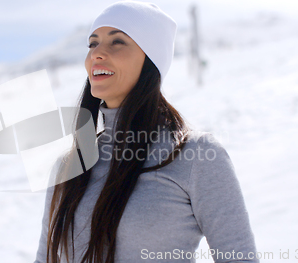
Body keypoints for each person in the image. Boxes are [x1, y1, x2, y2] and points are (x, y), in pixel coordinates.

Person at [34, 1, 258, 262]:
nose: (97, 53)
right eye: (93, 43)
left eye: (117, 42)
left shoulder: (196, 156)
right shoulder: (67, 166)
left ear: (150, 59)